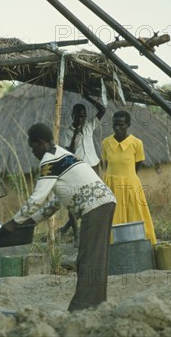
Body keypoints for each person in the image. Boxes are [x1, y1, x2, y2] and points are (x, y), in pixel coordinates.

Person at [3, 123, 116, 311]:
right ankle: (95, 304)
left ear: (40, 143)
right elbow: (56, 202)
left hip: (95, 207)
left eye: (32, 147)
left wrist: (14, 222)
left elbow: (37, 198)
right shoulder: (63, 154)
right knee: (95, 256)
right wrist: (32, 221)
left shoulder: (48, 161)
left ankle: (83, 307)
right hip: (104, 202)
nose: (33, 152)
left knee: (88, 257)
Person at [101, 110, 157, 245]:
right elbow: (107, 164)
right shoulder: (106, 143)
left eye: (121, 125)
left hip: (131, 185)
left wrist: (127, 179)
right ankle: (111, 246)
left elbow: (136, 166)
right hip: (111, 186)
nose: (117, 128)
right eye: (114, 125)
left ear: (128, 125)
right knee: (111, 217)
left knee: (135, 214)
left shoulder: (137, 143)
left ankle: (140, 246)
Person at [60, 95, 106, 245]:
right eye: (79, 117)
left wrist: (89, 98)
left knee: (93, 201)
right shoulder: (67, 132)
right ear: (73, 116)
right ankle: (77, 235)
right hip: (78, 169)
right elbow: (70, 151)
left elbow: (102, 109)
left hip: (93, 167)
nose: (82, 119)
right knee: (74, 202)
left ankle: (64, 229)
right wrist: (75, 133)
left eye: (84, 116)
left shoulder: (89, 125)